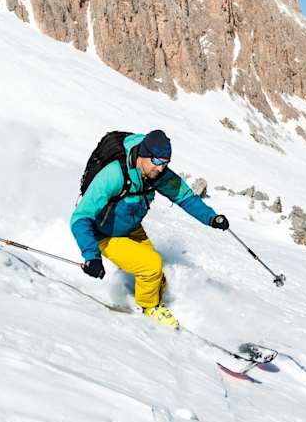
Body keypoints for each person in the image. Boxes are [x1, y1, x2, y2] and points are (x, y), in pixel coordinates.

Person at [70, 129, 228, 328]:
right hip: (103, 234)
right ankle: (149, 308)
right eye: (157, 162)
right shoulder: (114, 175)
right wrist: (91, 256)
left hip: (131, 227)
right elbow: (80, 218)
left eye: (165, 163)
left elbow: (185, 197)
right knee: (151, 265)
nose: (161, 168)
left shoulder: (157, 174)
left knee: (158, 277)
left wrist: (212, 218)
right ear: (143, 155)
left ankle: (147, 293)